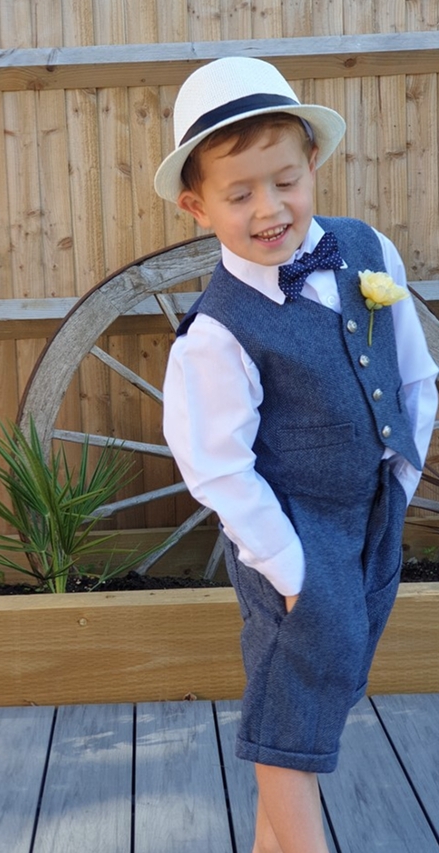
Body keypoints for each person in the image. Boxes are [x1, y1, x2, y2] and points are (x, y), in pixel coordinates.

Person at [155, 56, 438, 853]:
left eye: (283, 180)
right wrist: (288, 567)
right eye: (238, 194)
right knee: (292, 714)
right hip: (292, 536)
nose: (268, 208)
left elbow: (413, 369)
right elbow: (215, 464)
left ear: (312, 162)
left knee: (328, 687)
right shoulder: (218, 330)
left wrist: (403, 477)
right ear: (197, 205)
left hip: (373, 515)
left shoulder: (366, 248)